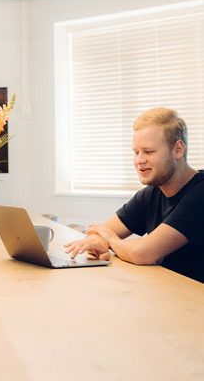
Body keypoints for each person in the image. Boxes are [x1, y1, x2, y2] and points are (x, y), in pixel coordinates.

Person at [65, 107, 204, 283]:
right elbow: (98, 233)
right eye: (136, 152)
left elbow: (142, 253)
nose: (139, 160)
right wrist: (101, 240)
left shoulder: (200, 193)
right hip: (169, 293)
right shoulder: (152, 193)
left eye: (148, 152)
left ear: (178, 150)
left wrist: (110, 239)